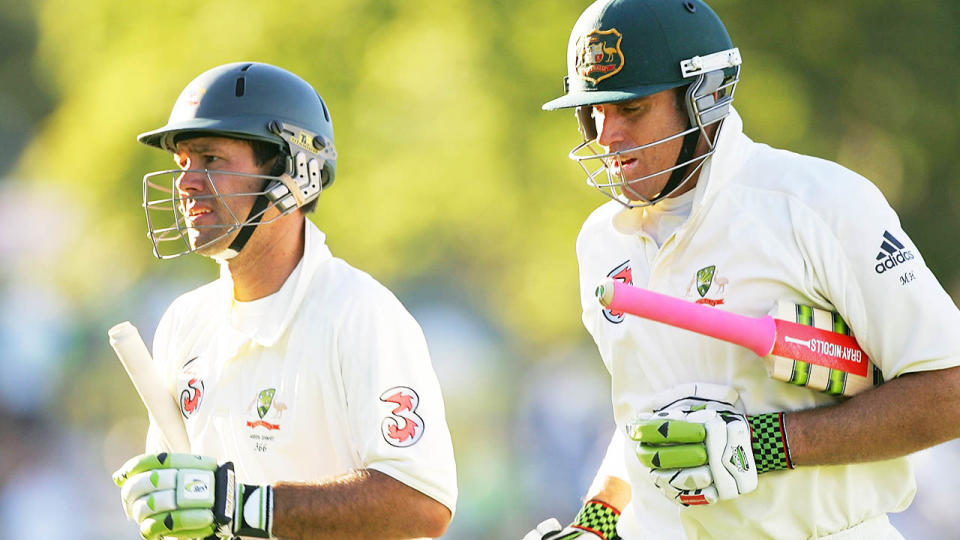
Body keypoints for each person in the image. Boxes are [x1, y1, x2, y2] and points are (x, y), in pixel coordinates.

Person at [524, 0, 960, 538]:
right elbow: (645, 419)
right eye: (592, 111)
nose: (605, 134)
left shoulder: (816, 204)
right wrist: (596, 521)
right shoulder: (601, 240)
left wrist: (765, 444)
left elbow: (950, 389)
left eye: (631, 108)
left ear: (704, 97)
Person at [111, 62, 456, 540]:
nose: (187, 183)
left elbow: (423, 504)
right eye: (183, 163)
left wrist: (248, 506)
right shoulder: (183, 322)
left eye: (210, 159)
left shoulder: (360, 314)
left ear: (293, 173)